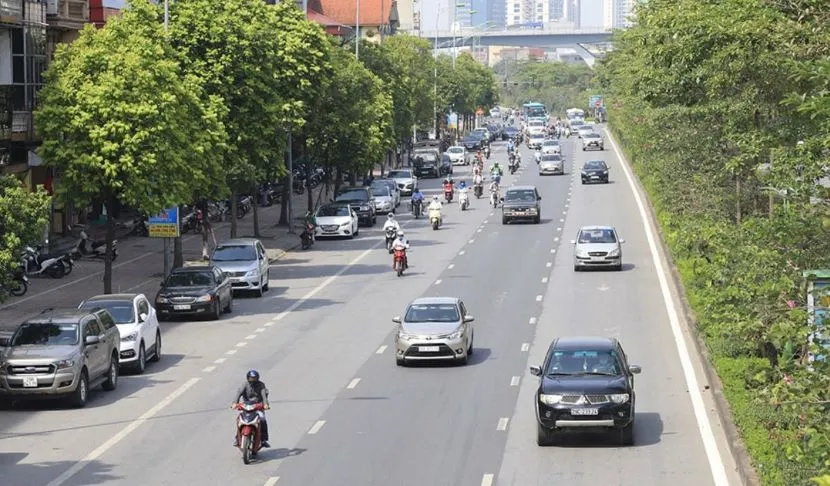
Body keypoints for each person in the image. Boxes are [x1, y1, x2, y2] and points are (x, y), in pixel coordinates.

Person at [231, 370, 271, 448]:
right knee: (240, 420)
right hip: (247, 407)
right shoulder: (245, 385)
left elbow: (264, 395)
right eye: (251, 378)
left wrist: (266, 404)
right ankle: (237, 438)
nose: (253, 380)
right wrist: (234, 403)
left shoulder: (261, 385)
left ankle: (263, 439)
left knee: (262, 419)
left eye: (255, 378)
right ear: (248, 378)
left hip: (258, 407)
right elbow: (238, 393)